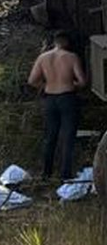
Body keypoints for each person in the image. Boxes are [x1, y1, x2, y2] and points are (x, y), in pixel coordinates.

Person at [27, 32, 86, 181]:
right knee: (67, 137)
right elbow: (82, 81)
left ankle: (46, 173)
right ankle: (65, 174)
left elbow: (32, 80)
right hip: (67, 98)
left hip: (50, 99)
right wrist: (72, 84)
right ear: (66, 41)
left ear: (54, 42)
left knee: (50, 136)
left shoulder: (43, 58)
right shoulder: (71, 57)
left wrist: (46, 85)